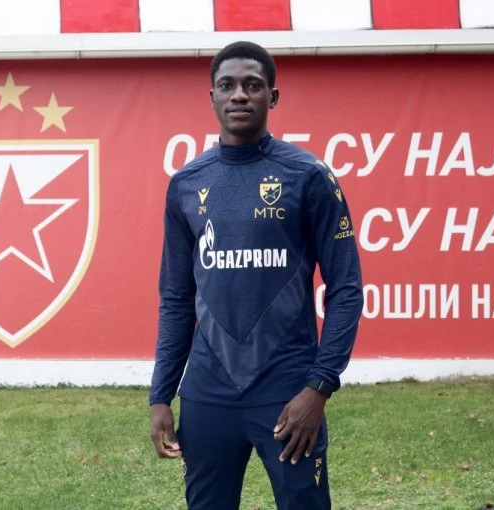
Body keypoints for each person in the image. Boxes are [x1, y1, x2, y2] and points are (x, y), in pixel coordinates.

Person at [149, 41, 364, 509]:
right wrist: (161, 395)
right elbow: (177, 298)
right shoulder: (186, 183)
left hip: (288, 390)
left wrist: (318, 387)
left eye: (253, 85)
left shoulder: (308, 176)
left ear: (273, 96)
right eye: (227, 86)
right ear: (212, 97)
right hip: (208, 391)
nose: (240, 95)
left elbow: (346, 289)